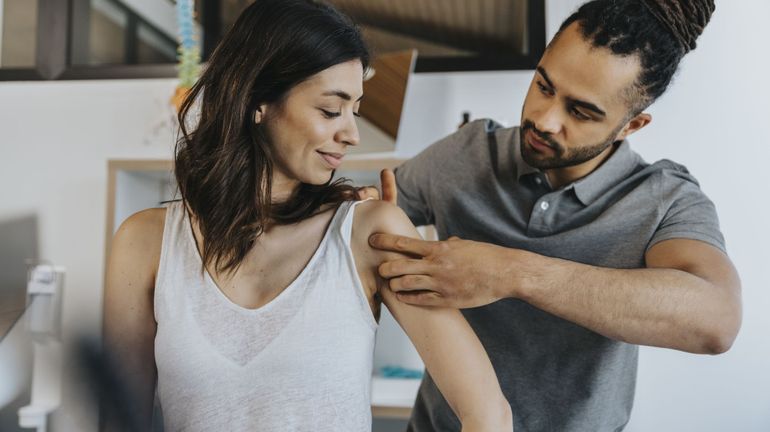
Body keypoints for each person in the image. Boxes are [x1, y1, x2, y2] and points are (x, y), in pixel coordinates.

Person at [102, 1, 512, 431]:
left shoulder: (369, 233)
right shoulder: (144, 242)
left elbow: (488, 415)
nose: (351, 133)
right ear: (257, 101)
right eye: (331, 110)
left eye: (356, 109)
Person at [366, 0, 742, 431]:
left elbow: (717, 321)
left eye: (580, 111)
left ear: (630, 126)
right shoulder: (467, 154)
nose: (544, 120)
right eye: (544, 86)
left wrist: (511, 273)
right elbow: (367, 212)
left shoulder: (664, 199)